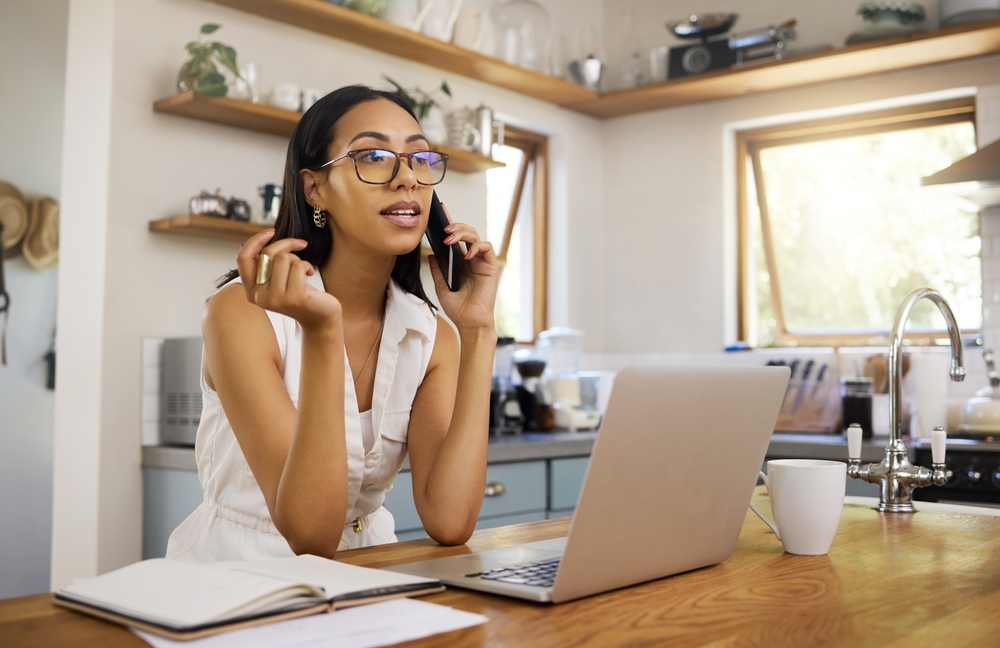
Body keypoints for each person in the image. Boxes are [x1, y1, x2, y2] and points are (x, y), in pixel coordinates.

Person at [166, 85, 499, 562]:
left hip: (370, 568)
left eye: (420, 159)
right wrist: (323, 332)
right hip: (241, 573)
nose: (407, 178)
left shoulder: (431, 335)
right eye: (374, 157)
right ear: (314, 187)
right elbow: (311, 535)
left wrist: (479, 330)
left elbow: (450, 521)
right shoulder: (241, 314)